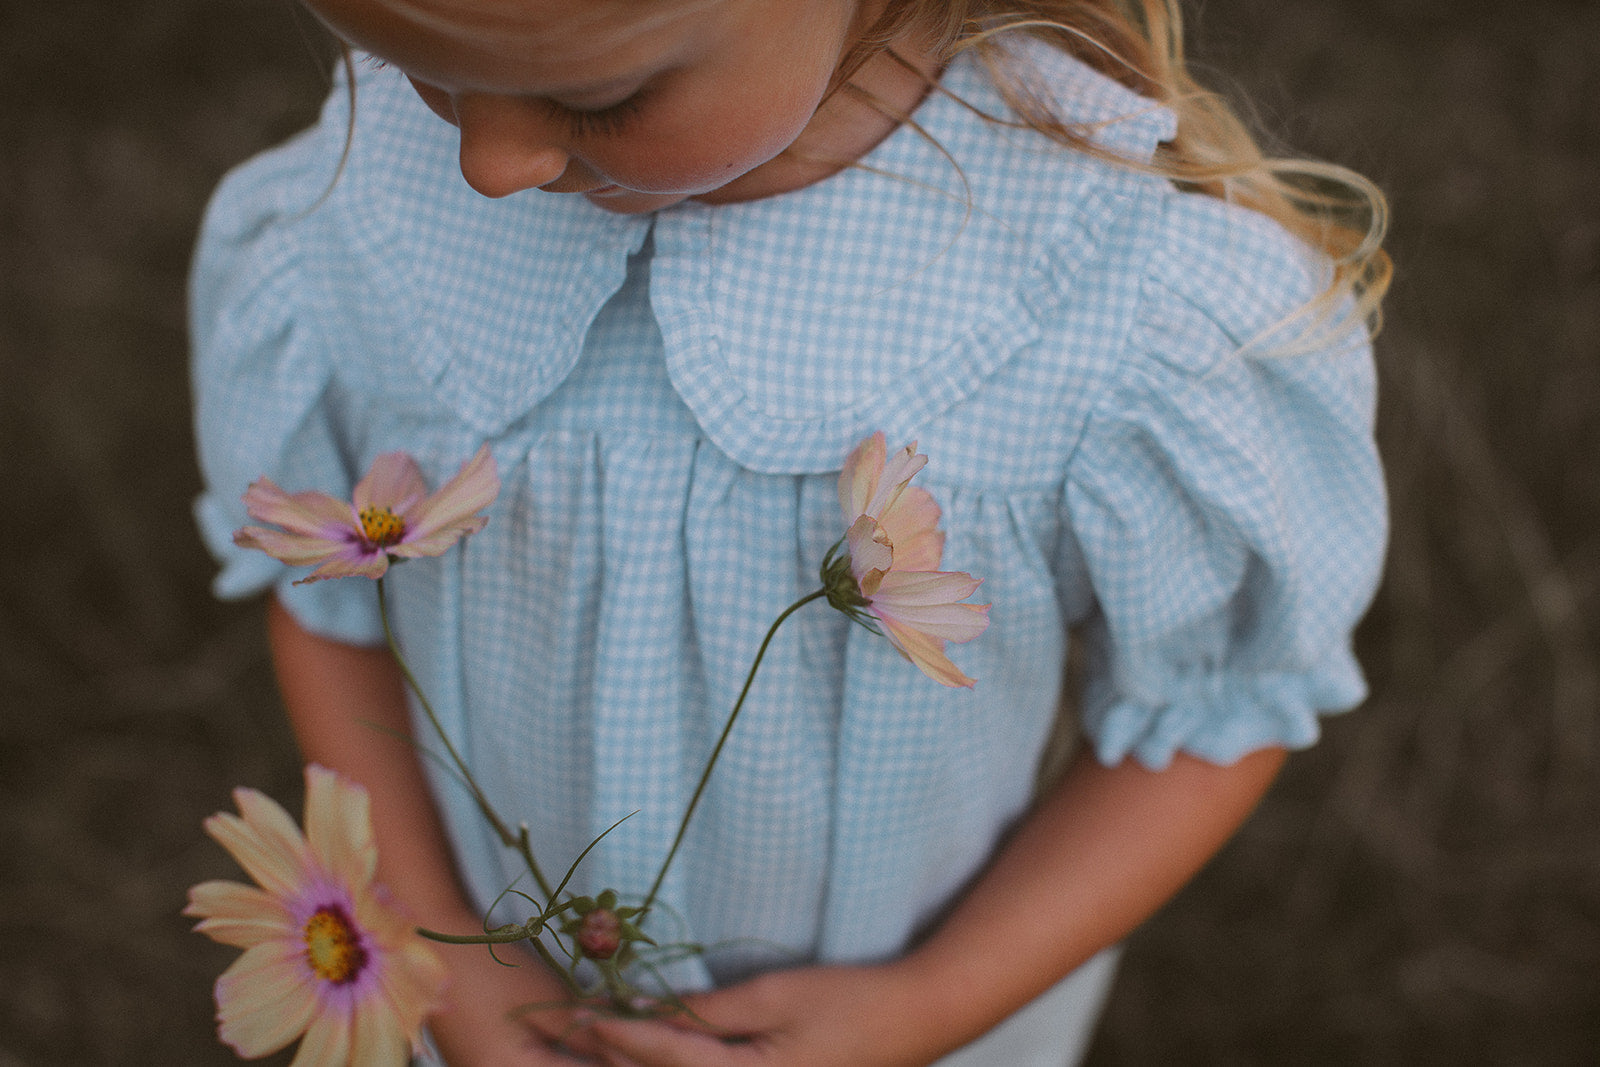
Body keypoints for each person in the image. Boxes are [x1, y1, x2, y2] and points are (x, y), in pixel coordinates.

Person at [189, 0, 1391, 1062]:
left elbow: (1210, 713)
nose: (489, 163)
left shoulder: (1110, 300)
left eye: (598, 97)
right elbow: (331, 602)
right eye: (427, 73)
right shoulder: (365, 217)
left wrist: (927, 1002)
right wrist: (452, 972)